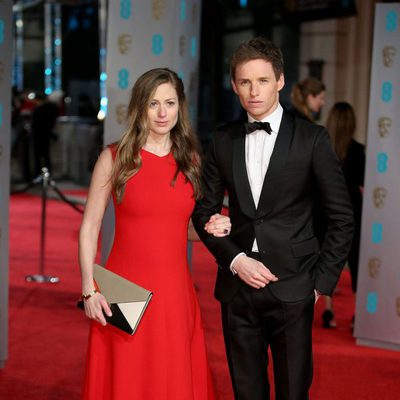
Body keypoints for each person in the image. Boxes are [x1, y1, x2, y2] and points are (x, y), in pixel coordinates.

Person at [192, 37, 354, 400]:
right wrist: (235, 260)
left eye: (262, 80)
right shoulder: (222, 139)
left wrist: (318, 284)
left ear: (280, 80)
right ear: (234, 85)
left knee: (293, 392)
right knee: (246, 392)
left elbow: (342, 216)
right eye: (245, 82)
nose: (253, 91)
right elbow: (204, 210)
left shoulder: (312, 139)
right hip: (237, 289)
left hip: (294, 287)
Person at [79, 68, 231, 399]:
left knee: (170, 380)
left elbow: (181, 228)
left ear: (180, 107)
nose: (163, 113)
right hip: (124, 291)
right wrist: (89, 288)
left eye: (170, 103)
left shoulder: (190, 161)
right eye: (153, 104)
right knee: (126, 380)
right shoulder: (115, 158)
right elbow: (90, 226)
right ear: (140, 108)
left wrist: (209, 226)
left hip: (175, 293)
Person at [323, 101, 365, 328]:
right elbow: (363, 184)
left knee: (329, 260)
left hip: (326, 211)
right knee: (356, 262)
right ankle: (358, 314)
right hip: (353, 212)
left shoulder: (322, 146)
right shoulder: (358, 151)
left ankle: (328, 311)